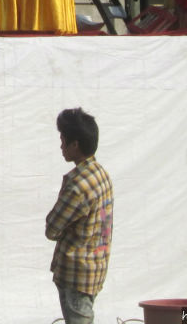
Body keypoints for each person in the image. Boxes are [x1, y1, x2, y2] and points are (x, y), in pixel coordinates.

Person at [45, 107, 114, 324]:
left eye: (63, 140)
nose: (61, 146)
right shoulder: (101, 174)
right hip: (95, 267)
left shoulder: (78, 185)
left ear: (75, 144)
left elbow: (52, 228)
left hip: (76, 274)